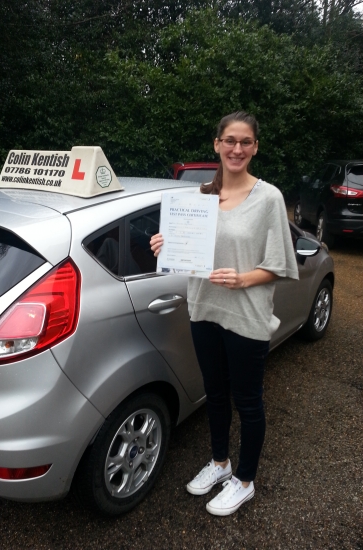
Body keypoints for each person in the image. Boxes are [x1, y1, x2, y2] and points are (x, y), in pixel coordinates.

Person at [150, 111, 299, 516]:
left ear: (255, 147)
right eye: (230, 140)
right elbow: (189, 258)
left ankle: (244, 480)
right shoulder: (197, 197)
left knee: (247, 402)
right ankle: (220, 463)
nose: (237, 149)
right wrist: (166, 246)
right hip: (203, 309)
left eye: (245, 142)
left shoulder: (269, 198)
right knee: (215, 395)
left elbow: (281, 265)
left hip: (246, 315)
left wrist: (244, 279)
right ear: (216, 144)